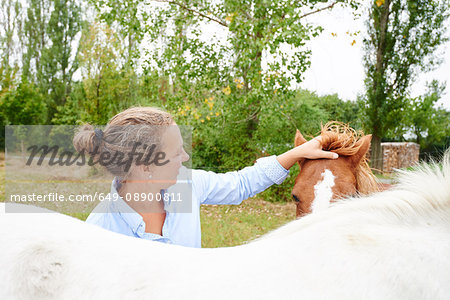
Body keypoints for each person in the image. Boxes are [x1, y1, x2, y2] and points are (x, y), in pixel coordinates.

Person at [74, 107, 338, 248]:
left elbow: (240, 184)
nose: (186, 157)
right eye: (177, 152)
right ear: (145, 167)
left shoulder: (187, 185)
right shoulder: (100, 230)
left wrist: (297, 152)